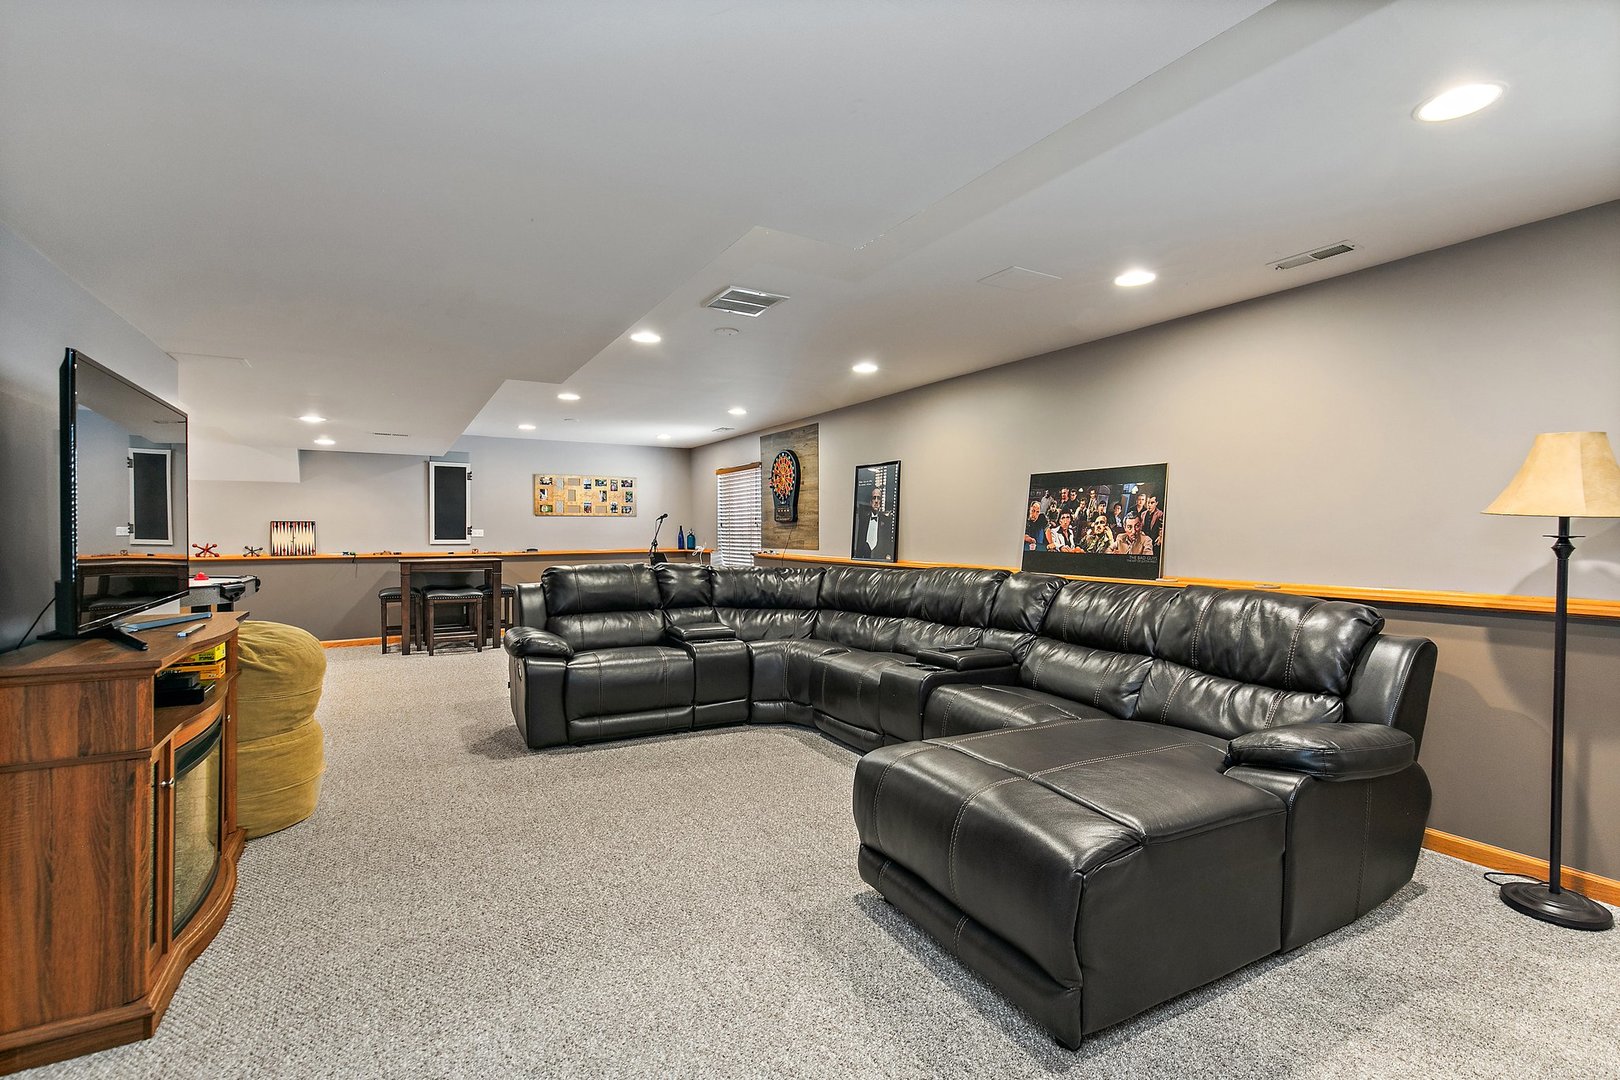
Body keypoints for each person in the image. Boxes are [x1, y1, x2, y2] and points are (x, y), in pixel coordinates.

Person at [854, 488, 895, 561]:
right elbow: (859, 542)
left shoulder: (886, 521)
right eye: (874, 498)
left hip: (880, 561)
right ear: (870, 502)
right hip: (864, 560)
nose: (876, 501)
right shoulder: (863, 520)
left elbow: (888, 543)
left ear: (881, 502)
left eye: (878, 498)